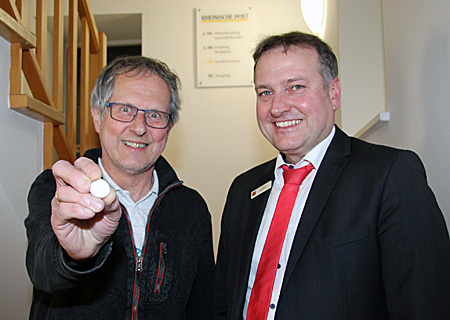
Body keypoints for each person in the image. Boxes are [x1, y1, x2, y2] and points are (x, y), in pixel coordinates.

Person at [212, 31, 450, 319]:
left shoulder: (389, 175)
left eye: (296, 87)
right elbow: (223, 301)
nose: (277, 107)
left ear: (333, 92)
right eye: (265, 92)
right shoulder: (243, 190)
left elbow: (424, 306)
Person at [25, 56, 215, 320]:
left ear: (168, 129)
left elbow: (202, 307)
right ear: (97, 116)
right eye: (125, 109)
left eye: (155, 115)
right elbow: (42, 271)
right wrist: (73, 257)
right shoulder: (60, 190)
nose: (139, 127)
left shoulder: (192, 209)